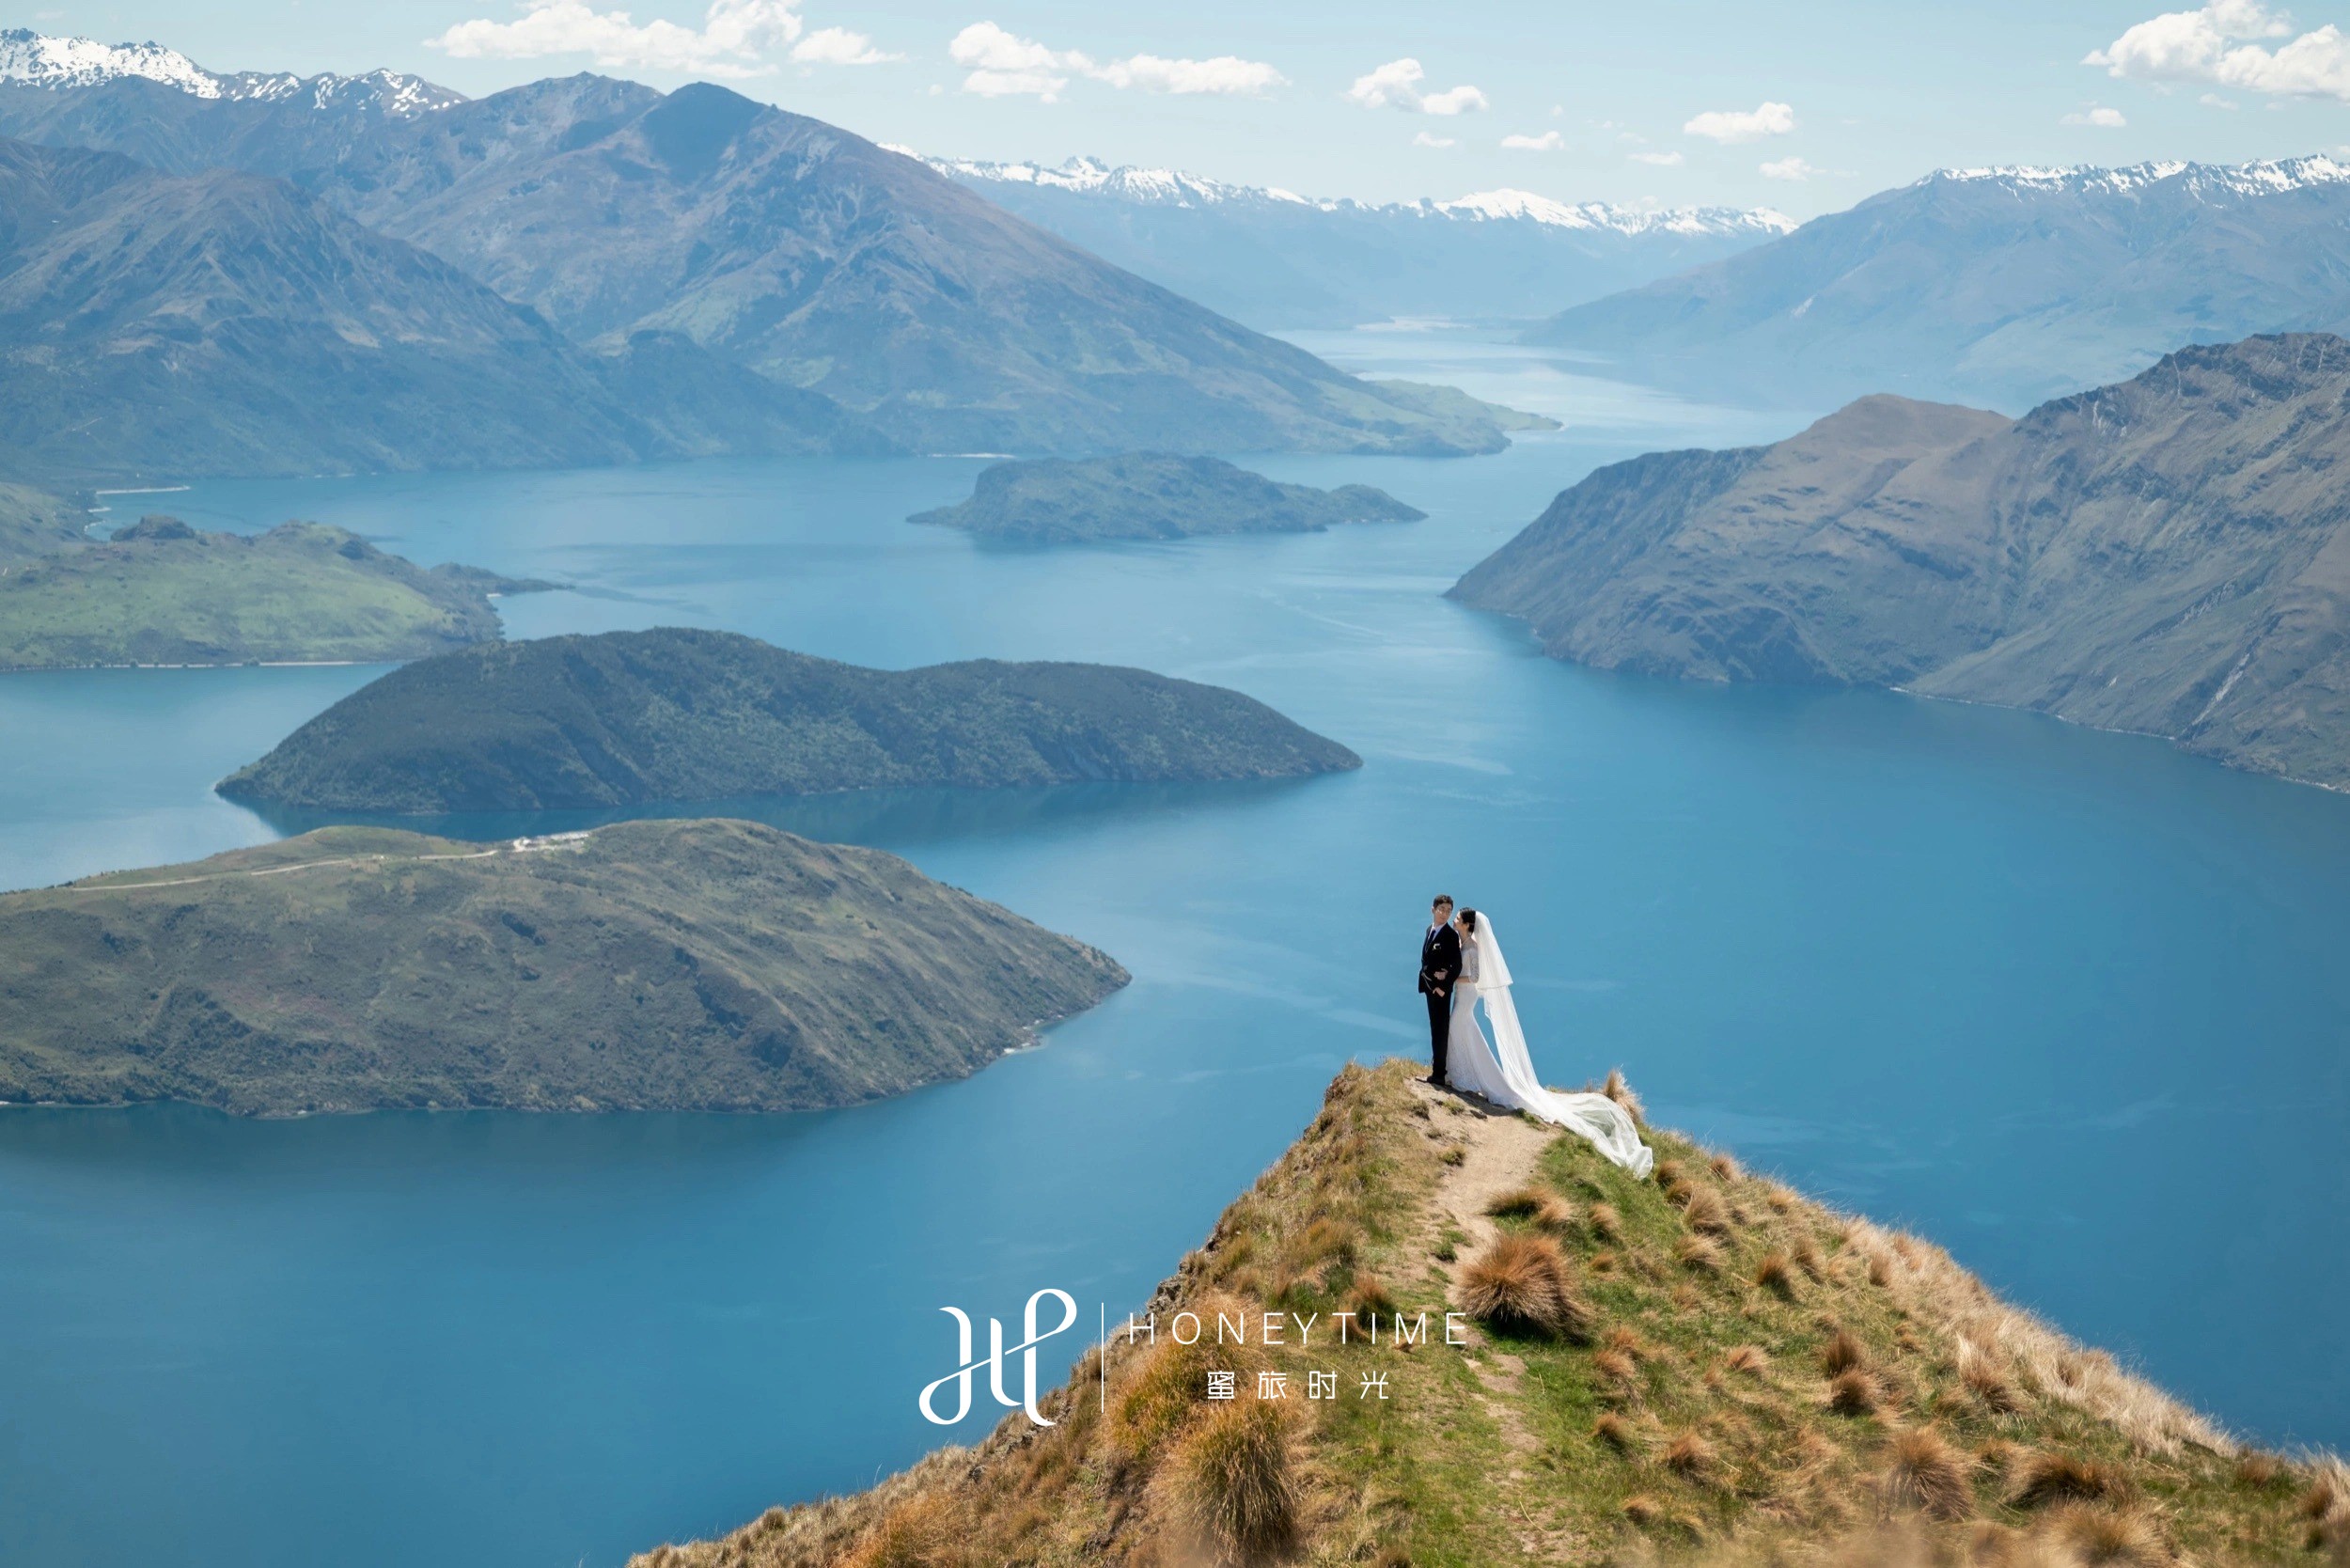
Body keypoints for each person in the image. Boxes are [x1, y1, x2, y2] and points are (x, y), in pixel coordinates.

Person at [1439, 907, 1653, 1176]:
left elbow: (1475, 977)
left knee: (1460, 1028)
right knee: (1461, 1032)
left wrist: (1449, 978)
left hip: (1466, 994)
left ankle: (1468, 1076)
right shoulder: (1462, 942)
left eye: (1458, 917)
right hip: (1461, 995)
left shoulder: (1472, 947)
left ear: (1469, 925)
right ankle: (1462, 1073)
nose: (1455, 919)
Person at [1416, 895, 1461, 1087]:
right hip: (1428, 987)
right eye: (1441, 909)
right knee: (1435, 1028)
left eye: (1449, 911)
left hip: (1440, 991)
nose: (1445, 913)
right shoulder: (1429, 930)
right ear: (1433, 910)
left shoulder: (1451, 935)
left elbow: (1456, 965)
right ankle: (1437, 1070)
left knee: (1440, 1030)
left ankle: (1439, 1074)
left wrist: (1443, 987)